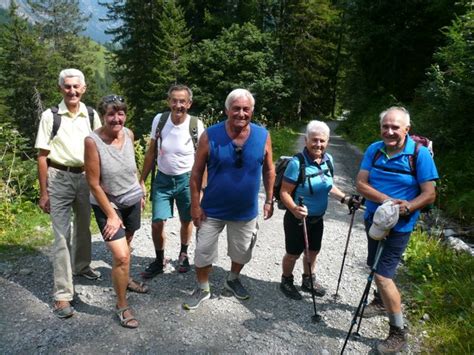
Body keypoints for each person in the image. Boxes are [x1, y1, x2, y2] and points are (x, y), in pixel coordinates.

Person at [182, 88, 275, 310]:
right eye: (236, 109)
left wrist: (270, 199)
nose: (241, 113)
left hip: (245, 211)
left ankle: (232, 279)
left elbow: (269, 170)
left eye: (246, 109)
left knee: (242, 251)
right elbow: (195, 173)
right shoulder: (210, 135)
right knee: (203, 251)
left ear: (252, 111)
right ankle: (203, 287)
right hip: (211, 209)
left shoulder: (263, 135)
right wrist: (195, 205)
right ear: (227, 110)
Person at [356, 106, 438, 353]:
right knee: (374, 263)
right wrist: (387, 202)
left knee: (383, 274)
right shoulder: (374, 149)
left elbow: (430, 194)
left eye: (395, 127)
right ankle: (380, 302)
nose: (389, 131)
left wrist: (406, 208)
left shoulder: (419, 155)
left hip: (401, 225)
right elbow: (361, 183)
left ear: (407, 129)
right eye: (385, 126)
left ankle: (398, 333)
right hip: (374, 218)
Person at [35, 68, 102, 318]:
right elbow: (42, 156)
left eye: (76, 87)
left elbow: (99, 149)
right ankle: (62, 295)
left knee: (84, 227)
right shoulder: (50, 116)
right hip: (59, 177)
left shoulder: (91, 114)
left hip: (86, 178)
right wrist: (44, 193)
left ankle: (82, 266)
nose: (72, 91)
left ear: (83, 89)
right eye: (67, 86)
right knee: (62, 236)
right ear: (60, 88)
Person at [279, 120, 360, 300]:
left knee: (313, 251)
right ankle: (286, 280)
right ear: (306, 140)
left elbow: (328, 185)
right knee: (293, 253)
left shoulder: (328, 160)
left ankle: (308, 280)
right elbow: (284, 192)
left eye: (322, 141)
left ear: (327, 141)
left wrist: (345, 198)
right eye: (314, 140)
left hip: (317, 218)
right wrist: (294, 209)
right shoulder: (297, 163)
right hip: (297, 218)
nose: (318, 144)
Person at [84, 95, 146, 329]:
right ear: (102, 116)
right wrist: (111, 214)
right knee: (120, 255)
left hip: (131, 199)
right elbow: (93, 183)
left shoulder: (128, 134)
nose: (116, 118)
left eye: (120, 113)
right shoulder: (92, 141)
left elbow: (131, 165)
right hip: (106, 203)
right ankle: (122, 305)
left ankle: (126, 279)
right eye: (111, 114)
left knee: (127, 245)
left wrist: (140, 186)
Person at [140, 85, 204, 278]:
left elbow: (203, 158)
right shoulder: (159, 120)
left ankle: (183, 253)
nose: (178, 105)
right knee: (157, 222)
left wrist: (202, 189)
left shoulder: (196, 125)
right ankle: (159, 260)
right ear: (168, 102)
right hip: (163, 179)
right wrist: (141, 180)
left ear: (189, 104)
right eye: (174, 101)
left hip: (187, 180)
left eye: (182, 101)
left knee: (187, 220)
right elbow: (151, 151)